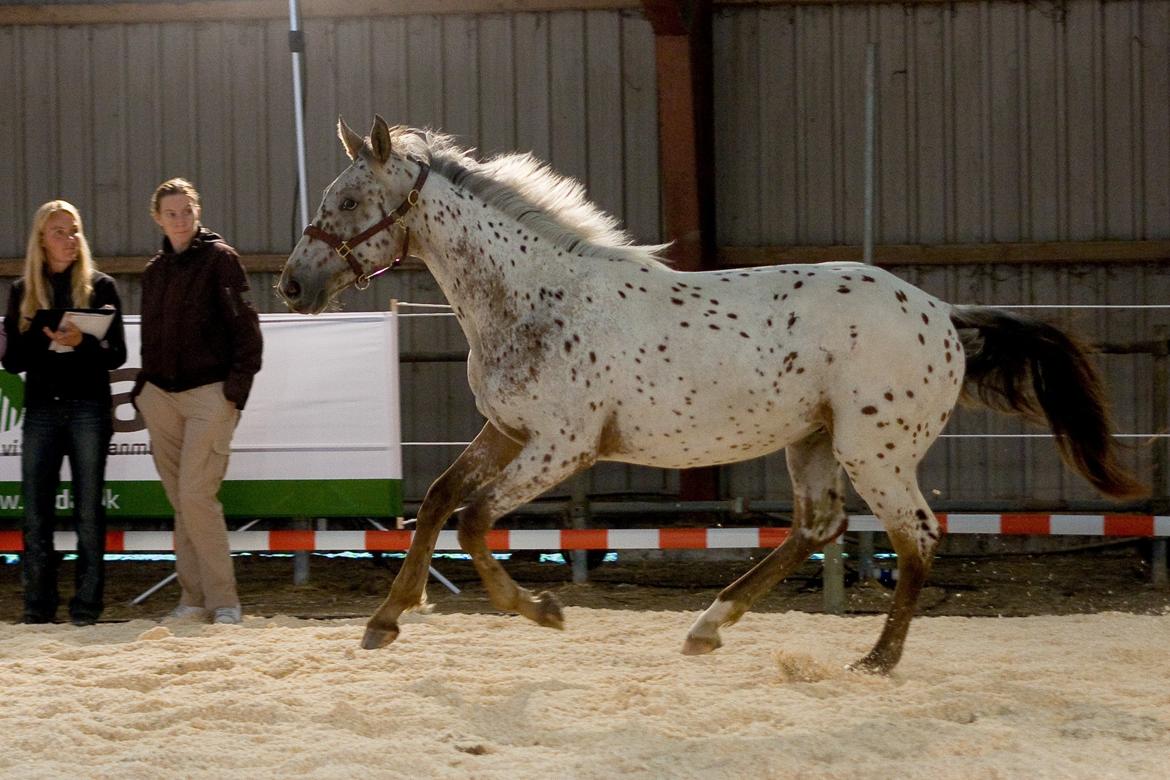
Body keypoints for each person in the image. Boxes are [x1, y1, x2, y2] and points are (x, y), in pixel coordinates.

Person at [131, 178, 263, 625]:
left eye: (187, 210)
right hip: (160, 399)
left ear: (197, 211)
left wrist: (234, 394)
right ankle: (193, 599)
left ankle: (225, 602)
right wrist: (143, 392)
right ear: (158, 218)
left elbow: (247, 328)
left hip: (209, 395)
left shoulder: (221, 260)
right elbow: (150, 335)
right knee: (183, 502)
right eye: (172, 212)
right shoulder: (154, 272)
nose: (181, 219)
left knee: (196, 496)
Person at [2, 200, 127, 626]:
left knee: (89, 510)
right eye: (59, 231)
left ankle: (87, 607)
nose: (69, 239)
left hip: (89, 410)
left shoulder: (102, 287)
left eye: (74, 230)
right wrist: (44, 336)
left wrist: (81, 343)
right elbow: (13, 362)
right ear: (41, 238)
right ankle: (38, 607)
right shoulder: (22, 291)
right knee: (36, 511)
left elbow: (118, 355)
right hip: (39, 411)